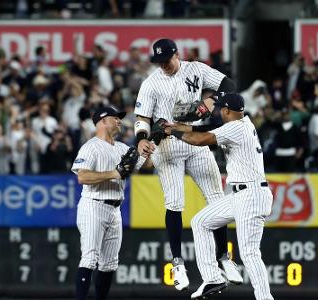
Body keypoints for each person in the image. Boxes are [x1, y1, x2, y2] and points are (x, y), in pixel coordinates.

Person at [134, 38, 242, 290]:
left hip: (194, 138)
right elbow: (142, 118)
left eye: (167, 60)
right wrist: (141, 139)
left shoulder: (195, 69)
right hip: (167, 144)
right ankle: (177, 263)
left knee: (216, 198)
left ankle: (224, 258)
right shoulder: (151, 83)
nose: (164, 65)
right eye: (159, 62)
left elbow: (228, 84)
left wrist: (211, 102)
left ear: (176, 54)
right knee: (174, 203)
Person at [160, 93, 274, 299]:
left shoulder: (236, 127)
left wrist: (173, 133)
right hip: (242, 195)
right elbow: (200, 129)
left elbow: (201, 139)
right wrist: (173, 127)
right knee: (201, 222)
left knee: (249, 254)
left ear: (227, 110)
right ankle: (213, 278)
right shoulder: (243, 123)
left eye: (221, 108)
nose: (218, 111)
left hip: (251, 195)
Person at [71, 106, 148, 300]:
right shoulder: (91, 147)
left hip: (115, 209)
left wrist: (152, 143)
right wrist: (115, 172)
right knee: (90, 258)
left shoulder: (122, 148)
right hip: (93, 205)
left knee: (110, 264)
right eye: (116, 118)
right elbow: (82, 177)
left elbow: (146, 164)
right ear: (103, 121)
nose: (119, 121)